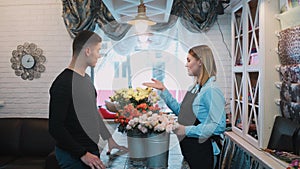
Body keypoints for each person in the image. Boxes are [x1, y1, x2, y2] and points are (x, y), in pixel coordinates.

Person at [49, 30, 127, 169]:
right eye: (98, 50)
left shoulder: (86, 79)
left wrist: (109, 138)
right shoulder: (63, 83)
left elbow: (93, 111)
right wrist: (82, 153)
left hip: (90, 150)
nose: (99, 55)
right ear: (87, 51)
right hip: (74, 156)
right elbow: (55, 127)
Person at [143, 45, 226, 169]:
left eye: (188, 60)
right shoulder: (194, 88)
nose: (186, 65)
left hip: (204, 151)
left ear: (200, 62)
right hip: (191, 150)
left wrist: (186, 130)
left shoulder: (211, 90)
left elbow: (219, 126)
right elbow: (180, 111)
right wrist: (163, 90)